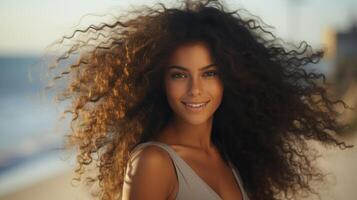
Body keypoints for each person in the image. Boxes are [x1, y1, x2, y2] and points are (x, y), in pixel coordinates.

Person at [47, 0, 355, 199]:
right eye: (179, 74)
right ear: (159, 81)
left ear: (231, 78)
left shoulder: (228, 154)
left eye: (209, 73)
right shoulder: (154, 164)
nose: (195, 89)